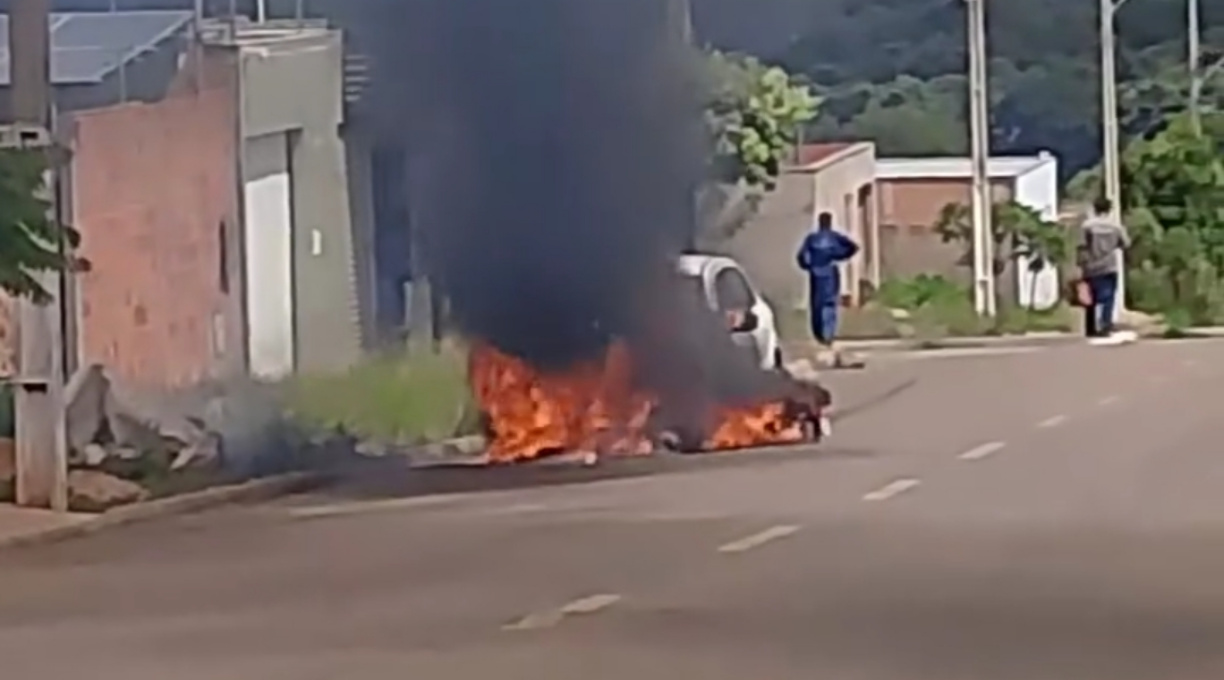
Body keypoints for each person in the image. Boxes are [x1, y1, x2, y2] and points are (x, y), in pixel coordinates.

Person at [796, 212, 860, 350]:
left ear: (819, 222)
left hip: (816, 273)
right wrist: (841, 255)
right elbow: (853, 247)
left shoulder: (812, 239)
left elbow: (801, 256)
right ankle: (828, 333)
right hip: (830, 271)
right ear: (830, 222)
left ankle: (820, 333)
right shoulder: (835, 237)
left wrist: (808, 266)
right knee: (830, 302)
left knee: (817, 304)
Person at [1077, 196, 1130, 341]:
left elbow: (1081, 246)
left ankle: (1090, 328)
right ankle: (1105, 325)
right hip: (1109, 265)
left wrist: (1080, 263)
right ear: (1109, 209)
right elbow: (1125, 244)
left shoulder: (1087, 226)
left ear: (1094, 209)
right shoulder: (1116, 226)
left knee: (1090, 298)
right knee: (1108, 297)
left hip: (1090, 265)